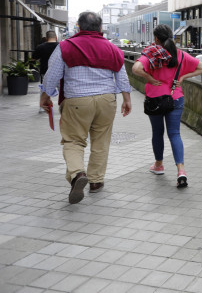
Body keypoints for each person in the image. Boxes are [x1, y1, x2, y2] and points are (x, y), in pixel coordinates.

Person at [39, 12, 132, 204]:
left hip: (76, 101)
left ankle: (77, 173)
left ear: (79, 28)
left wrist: (45, 96)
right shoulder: (112, 48)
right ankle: (96, 182)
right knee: (101, 141)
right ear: (100, 29)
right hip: (107, 100)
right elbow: (122, 76)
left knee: (73, 141)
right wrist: (127, 99)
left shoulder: (65, 46)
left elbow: (52, 75)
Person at [132, 24, 202, 188]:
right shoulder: (180, 54)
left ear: (156, 39)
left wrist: (150, 78)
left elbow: (136, 68)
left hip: (155, 99)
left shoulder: (151, 54)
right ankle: (181, 170)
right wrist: (184, 77)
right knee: (175, 134)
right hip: (176, 97)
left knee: (157, 133)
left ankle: (158, 165)